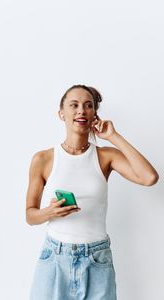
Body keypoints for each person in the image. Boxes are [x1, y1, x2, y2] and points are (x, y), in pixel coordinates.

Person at [26, 84, 159, 300]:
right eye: (74, 105)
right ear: (62, 114)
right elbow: (30, 216)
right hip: (54, 259)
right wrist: (50, 212)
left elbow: (149, 177)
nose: (81, 110)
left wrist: (113, 136)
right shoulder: (43, 159)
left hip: (97, 259)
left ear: (94, 114)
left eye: (88, 106)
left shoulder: (106, 156)